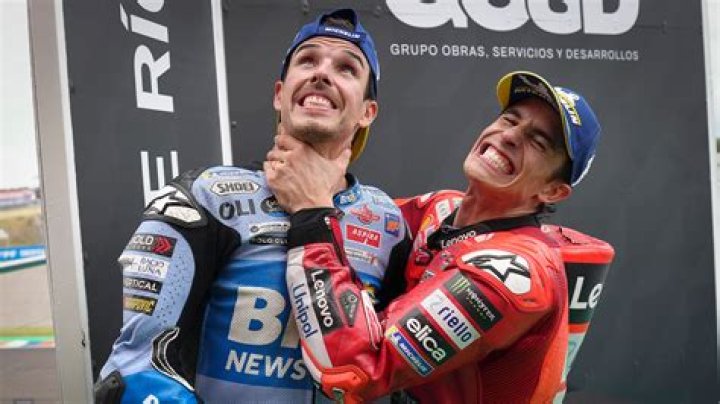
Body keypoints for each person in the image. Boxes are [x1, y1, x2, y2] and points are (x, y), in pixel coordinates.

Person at [94, 9, 411, 403]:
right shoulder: (207, 196)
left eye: (346, 68)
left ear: (367, 112)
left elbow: (402, 374)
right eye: (308, 60)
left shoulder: (388, 223)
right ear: (280, 93)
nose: (322, 73)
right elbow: (137, 370)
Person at [267, 70, 606, 403]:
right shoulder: (440, 208)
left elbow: (355, 372)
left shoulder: (515, 276)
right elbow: (354, 218)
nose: (510, 135)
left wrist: (311, 211)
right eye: (509, 119)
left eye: (538, 141)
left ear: (553, 191)